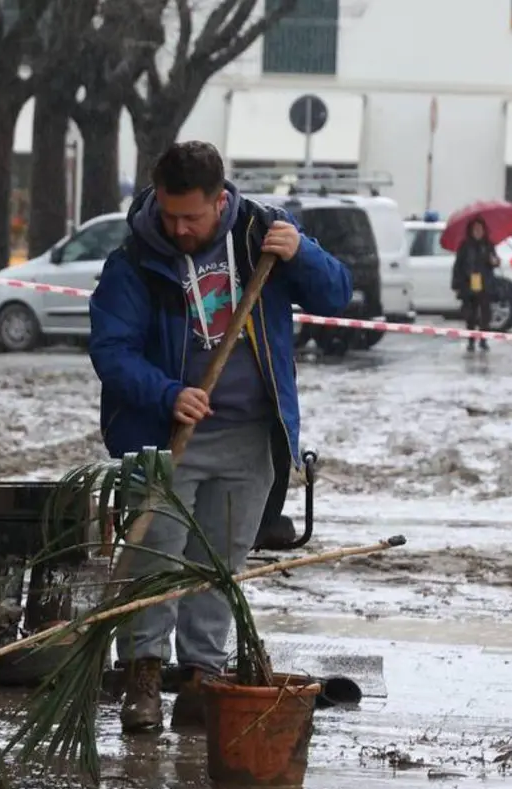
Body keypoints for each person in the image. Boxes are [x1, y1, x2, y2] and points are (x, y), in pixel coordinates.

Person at [88, 141, 353, 735]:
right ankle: (144, 677)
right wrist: (166, 393)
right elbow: (111, 350)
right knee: (155, 559)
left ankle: (201, 681)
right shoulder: (133, 260)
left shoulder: (263, 236)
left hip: (251, 435)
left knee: (218, 565)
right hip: (163, 437)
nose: (178, 228)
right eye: (170, 215)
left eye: (192, 217)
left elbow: (337, 294)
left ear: (220, 200)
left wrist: (302, 255)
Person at [451, 217, 499, 353]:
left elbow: (495, 261)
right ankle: (471, 340)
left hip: (485, 283)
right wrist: (457, 284)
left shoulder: (488, 245)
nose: (478, 232)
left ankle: (483, 340)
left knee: (485, 314)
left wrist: (494, 261)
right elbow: (458, 266)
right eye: (475, 229)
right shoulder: (465, 246)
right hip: (469, 283)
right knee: (470, 315)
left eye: (480, 229)